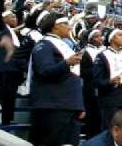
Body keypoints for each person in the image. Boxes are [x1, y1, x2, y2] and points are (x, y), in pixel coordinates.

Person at [28, 12, 85, 145]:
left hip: (68, 106)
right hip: (52, 106)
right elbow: (44, 71)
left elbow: (74, 79)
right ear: (55, 26)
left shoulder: (63, 45)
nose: (69, 27)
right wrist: (67, 63)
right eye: (65, 24)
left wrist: (79, 105)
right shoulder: (44, 45)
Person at [93, 28, 122, 131]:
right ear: (111, 38)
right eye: (120, 35)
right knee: (111, 129)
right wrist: (109, 82)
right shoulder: (102, 56)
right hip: (110, 99)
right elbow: (96, 80)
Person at [80, 29, 105, 138]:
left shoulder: (105, 51)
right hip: (91, 89)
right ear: (91, 39)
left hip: (103, 89)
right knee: (93, 118)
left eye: (101, 36)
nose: (101, 38)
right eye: (97, 36)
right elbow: (83, 72)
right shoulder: (85, 52)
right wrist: (98, 69)